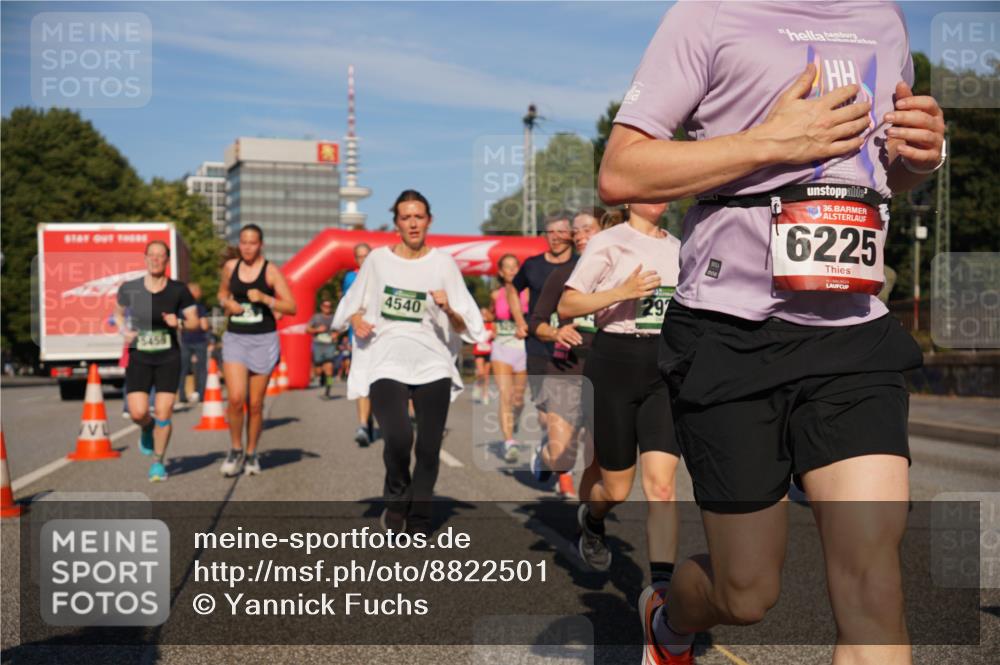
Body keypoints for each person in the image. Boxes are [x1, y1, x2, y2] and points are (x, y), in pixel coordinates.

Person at [599, 3, 944, 662]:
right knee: (747, 591)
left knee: (875, 582)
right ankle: (669, 619)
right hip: (731, 334)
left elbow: (877, 171)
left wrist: (919, 161)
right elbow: (621, 171)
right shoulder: (707, 15)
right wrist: (772, 141)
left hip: (852, 335)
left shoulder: (884, 20)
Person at [332, 190, 486, 534]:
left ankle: (419, 517)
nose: (413, 223)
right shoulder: (377, 261)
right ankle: (396, 497)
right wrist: (356, 318)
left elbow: (469, 327)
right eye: (406, 217)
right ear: (396, 224)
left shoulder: (444, 264)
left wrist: (448, 309)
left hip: (433, 365)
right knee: (399, 438)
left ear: (429, 220)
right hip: (387, 362)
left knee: (429, 447)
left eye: (419, 216)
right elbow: (352, 304)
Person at [558, 204, 682, 595]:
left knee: (662, 487)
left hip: (663, 366)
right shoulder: (607, 242)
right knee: (616, 490)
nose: (657, 196)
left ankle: (662, 594)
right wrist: (623, 291)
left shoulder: (682, 247)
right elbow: (569, 305)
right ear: (629, 198)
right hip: (614, 363)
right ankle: (593, 520)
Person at [528, 208, 604, 499]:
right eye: (577, 231)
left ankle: (590, 520)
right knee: (562, 457)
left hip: (606, 373)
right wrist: (556, 332)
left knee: (597, 458)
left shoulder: (620, 276)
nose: (580, 236)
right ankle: (544, 453)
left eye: (588, 229)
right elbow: (537, 321)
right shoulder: (562, 275)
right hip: (566, 372)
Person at [114, 240, 200, 482]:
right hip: (139, 356)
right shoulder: (130, 288)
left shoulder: (178, 290)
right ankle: (146, 427)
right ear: (145, 258)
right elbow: (117, 313)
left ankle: (158, 462)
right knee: (138, 412)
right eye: (151, 255)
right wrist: (124, 331)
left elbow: (194, 321)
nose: (155, 259)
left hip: (168, 357)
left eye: (160, 255)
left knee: (164, 411)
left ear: (167, 259)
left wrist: (180, 323)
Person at [217, 224, 297, 477]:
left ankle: (252, 453)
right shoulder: (231, 268)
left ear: (261, 244)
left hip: (263, 339)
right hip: (235, 338)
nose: (247, 247)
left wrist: (266, 299)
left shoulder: (271, 271)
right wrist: (228, 302)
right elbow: (221, 294)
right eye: (243, 242)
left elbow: (291, 307)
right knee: (235, 398)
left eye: (252, 243)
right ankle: (235, 448)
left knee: (255, 404)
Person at [505, 213, 576, 460]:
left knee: (569, 410)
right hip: (538, 344)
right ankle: (549, 447)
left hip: (572, 345)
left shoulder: (582, 263)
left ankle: (561, 466)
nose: (555, 237)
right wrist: (520, 320)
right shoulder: (533, 265)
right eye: (550, 232)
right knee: (546, 414)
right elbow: (512, 288)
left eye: (561, 232)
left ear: (572, 234)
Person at [490, 255, 529, 462]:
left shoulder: (528, 293)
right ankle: (509, 442)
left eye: (515, 267)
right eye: (507, 268)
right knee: (505, 395)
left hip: (523, 350)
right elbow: (491, 316)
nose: (512, 271)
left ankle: (513, 421)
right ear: (501, 272)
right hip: (502, 348)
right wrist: (488, 320)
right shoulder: (496, 294)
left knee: (518, 399)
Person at [342, 243, 375, 446]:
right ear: (356, 260)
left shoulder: (382, 275)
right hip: (360, 335)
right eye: (360, 257)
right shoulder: (351, 278)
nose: (363, 260)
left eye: (366, 256)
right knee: (363, 380)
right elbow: (349, 304)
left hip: (382, 335)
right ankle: (363, 424)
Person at [177, 282, 211, 405]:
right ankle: (202, 394)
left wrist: (186, 326)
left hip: (185, 341)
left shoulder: (180, 309)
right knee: (201, 369)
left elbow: (178, 326)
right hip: (200, 341)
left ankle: (182, 395)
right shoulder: (199, 307)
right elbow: (204, 325)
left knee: (183, 370)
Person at [307, 298, 339, 398]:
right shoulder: (316, 317)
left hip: (330, 345)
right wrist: (317, 329)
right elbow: (307, 329)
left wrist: (336, 334)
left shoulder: (334, 318)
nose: (327, 308)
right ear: (321, 307)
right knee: (318, 371)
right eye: (325, 306)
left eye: (329, 306)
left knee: (329, 368)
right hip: (318, 345)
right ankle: (322, 376)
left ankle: (328, 390)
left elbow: (340, 329)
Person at [472, 306, 494, 405]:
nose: (484, 315)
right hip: (479, 351)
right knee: (480, 373)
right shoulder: (477, 325)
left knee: (486, 375)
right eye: (482, 313)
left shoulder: (492, 325)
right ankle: (478, 385)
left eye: (485, 313)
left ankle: (485, 394)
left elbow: (495, 336)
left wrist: (493, 335)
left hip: (489, 351)